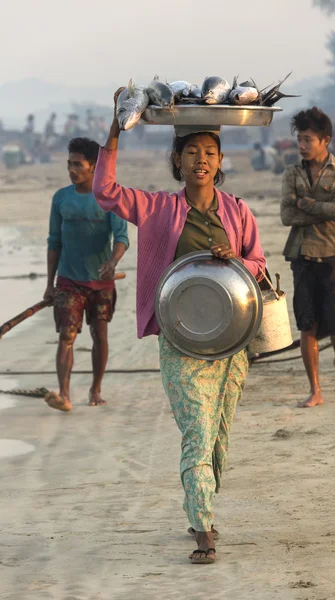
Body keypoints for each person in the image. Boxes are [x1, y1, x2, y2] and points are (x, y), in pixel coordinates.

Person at [92, 88, 267, 564]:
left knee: (219, 436)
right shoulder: (157, 209)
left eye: (210, 152)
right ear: (177, 159)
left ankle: (201, 508)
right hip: (180, 343)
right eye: (192, 152)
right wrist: (115, 128)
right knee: (196, 429)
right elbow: (105, 192)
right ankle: (204, 529)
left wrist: (239, 262)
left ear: (220, 159)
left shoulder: (237, 212)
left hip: (231, 347)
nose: (201, 160)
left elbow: (259, 262)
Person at [280, 107, 335, 409]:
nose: (301, 145)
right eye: (299, 138)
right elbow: (287, 216)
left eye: (308, 139)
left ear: (325, 140)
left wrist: (304, 202)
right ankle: (315, 388)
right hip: (301, 255)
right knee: (306, 324)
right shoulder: (292, 172)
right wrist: (317, 207)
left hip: (333, 254)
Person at [44, 137, 129, 412]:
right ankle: (64, 394)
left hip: (101, 282)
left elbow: (122, 237)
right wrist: (49, 284)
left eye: (77, 164)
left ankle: (96, 389)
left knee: (99, 334)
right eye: (69, 163)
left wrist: (113, 261)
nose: (71, 169)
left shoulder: (107, 197)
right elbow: (54, 242)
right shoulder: (61, 198)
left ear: (93, 166)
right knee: (66, 335)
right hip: (68, 281)